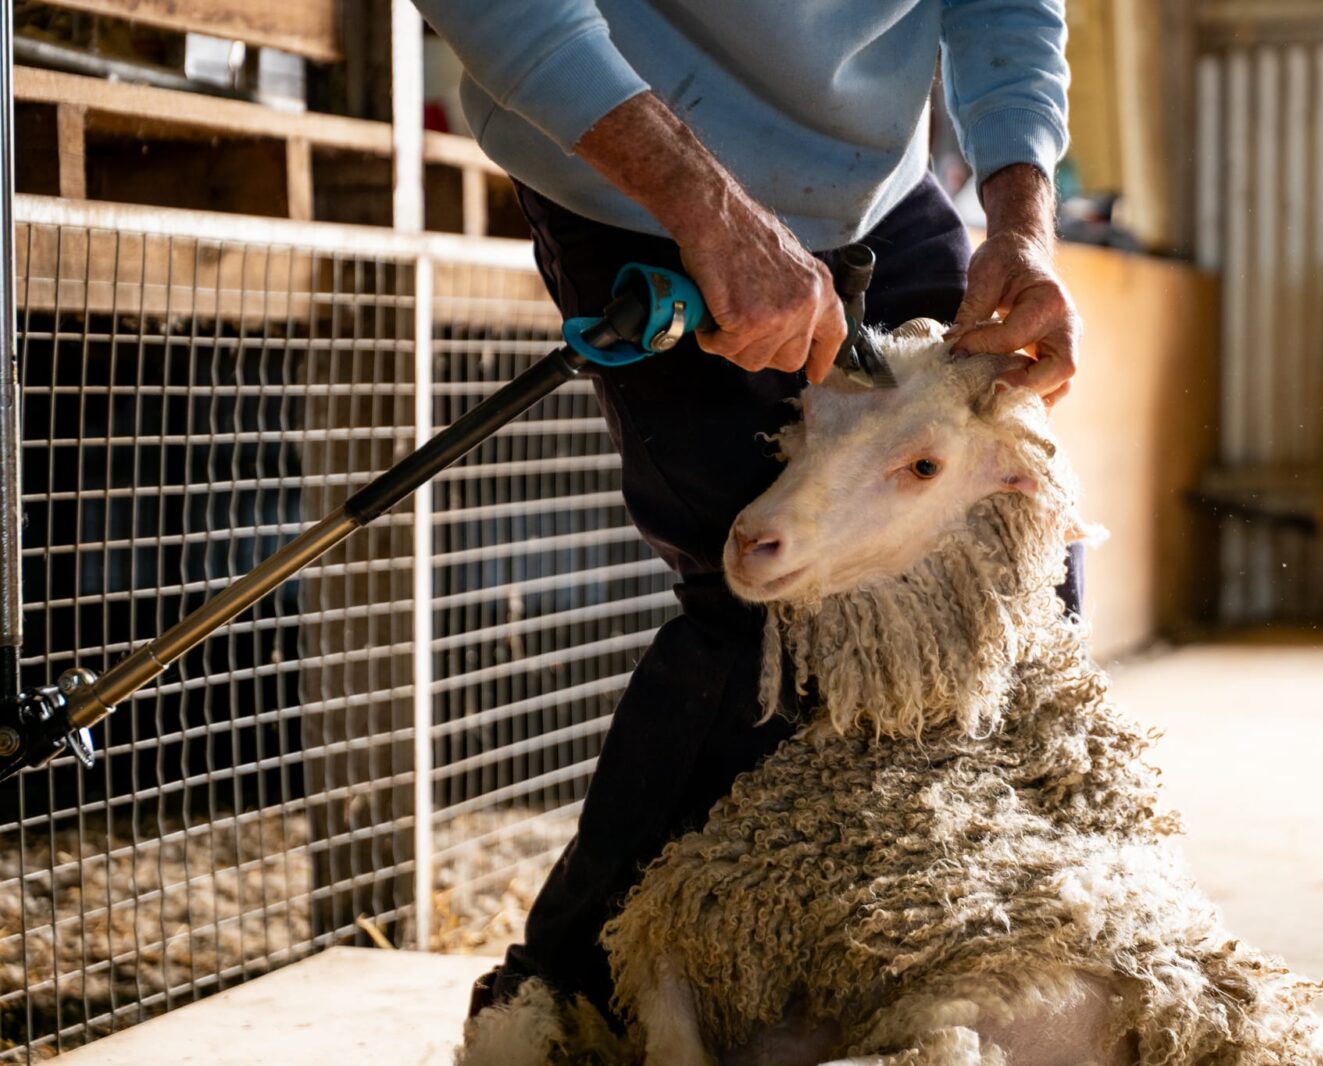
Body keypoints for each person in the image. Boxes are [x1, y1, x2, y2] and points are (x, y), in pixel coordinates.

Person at [414, 0, 1085, 1024]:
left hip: (882, 187)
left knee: (1014, 557)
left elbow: (1006, 7)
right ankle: (563, 995)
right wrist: (705, 208)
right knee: (763, 609)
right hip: (631, 173)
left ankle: (1013, 942)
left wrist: (1022, 225)